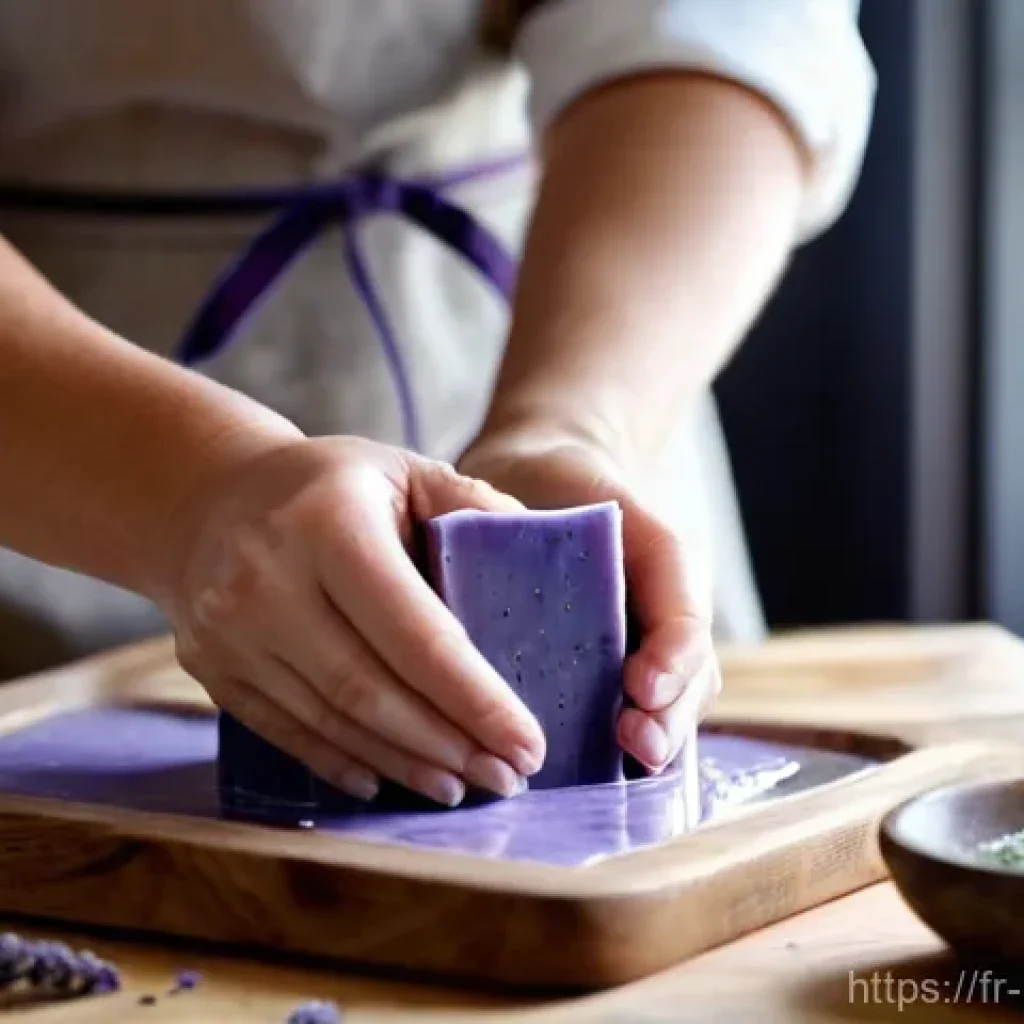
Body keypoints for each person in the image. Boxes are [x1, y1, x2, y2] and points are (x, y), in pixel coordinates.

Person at [0, 0, 875, 806]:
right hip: (47, 427)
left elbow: (720, 29)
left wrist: (574, 426)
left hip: (585, 327)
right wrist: (183, 497)